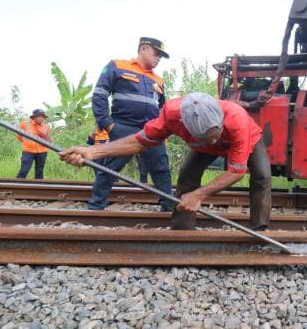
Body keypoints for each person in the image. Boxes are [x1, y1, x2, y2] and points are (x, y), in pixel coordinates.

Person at [59, 92, 271, 231]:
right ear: (185, 125)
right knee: (187, 176)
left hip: (249, 139)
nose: (214, 141)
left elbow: (236, 171)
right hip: (201, 149)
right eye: (206, 137)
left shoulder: (237, 119)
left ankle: (259, 229)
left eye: (216, 134)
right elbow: (138, 142)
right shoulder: (171, 115)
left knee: (262, 175)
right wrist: (93, 153)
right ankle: (182, 229)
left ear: (221, 120)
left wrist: (200, 195)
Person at [89, 37, 173, 212]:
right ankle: (95, 208)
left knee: (161, 169)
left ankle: (169, 208)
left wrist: (161, 130)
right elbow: (99, 94)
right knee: (110, 168)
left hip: (151, 131)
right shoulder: (117, 66)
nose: (158, 58)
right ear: (143, 48)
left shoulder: (158, 80)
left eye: (161, 56)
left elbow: (163, 108)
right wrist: (108, 124)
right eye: (156, 53)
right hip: (123, 128)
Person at [16, 109, 51, 179]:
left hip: (42, 152)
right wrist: (27, 144)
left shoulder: (46, 127)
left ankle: (39, 188)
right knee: (24, 170)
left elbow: (47, 139)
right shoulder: (24, 124)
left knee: (39, 172)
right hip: (28, 152)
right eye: (39, 116)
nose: (41, 118)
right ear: (34, 117)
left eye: (42, 116)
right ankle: (16, 187)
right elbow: (19, 136)